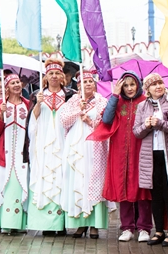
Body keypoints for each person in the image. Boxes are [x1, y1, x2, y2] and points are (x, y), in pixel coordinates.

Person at [89, 71, 152, 242]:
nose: (130, 88)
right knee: (122, 186)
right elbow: (107, 120)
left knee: (142, 188)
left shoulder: (145, 102)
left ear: (138, 85)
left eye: (132, 85)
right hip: (119, 151)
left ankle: (144, 228)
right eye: (126, 85)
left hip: (141, 150)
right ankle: (127, 227)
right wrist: (115, 95)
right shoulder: (117, 101)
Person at [59, 71, 111, 239]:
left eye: (90, 81)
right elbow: (63, 120)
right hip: (76, 146)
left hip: (95, 146)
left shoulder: (102, 101)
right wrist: (77, 111)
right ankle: (80, 224)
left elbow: (107, 123)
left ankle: (95, 225)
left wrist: (90, 122)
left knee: (93, 181)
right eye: (84, 82)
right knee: (77, 180)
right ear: (78, 85)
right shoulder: (73, 100)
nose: (88, 84)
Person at [27, 58, 75, 236]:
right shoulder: (37, 95)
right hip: (44, 143)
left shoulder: (70, 95)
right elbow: (34, 121)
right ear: (45, 77)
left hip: (64, 141)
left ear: (62, 76)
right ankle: (47, 224)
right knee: (45, 176)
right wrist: (38, 103)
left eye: (57, 73)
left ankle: (60, 222)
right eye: (50, 73)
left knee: (62, 177)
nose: (54, 76)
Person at [134, 73, 168, 247]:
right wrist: (147, 125)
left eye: (160, 83)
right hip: (151, 156)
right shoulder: (142, 106)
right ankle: (158, 231)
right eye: (154, 84)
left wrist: (160, 123)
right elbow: (137, 131)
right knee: (155, 195)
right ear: (147, 89)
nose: (158, 86)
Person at [0, 74, 30, 234]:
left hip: (21, 153)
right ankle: (5, 223)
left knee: (19, 184)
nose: (16, 85)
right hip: (3, 153)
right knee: (5, 186)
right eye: (12, 83)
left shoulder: (27, 103)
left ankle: (19, 224)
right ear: (6, 87)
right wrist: (1, 115)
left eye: (18, 82)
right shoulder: (1, 104)